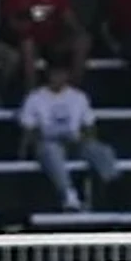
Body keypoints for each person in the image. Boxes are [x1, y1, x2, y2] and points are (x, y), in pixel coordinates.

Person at [18, 61, 121, 211]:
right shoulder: (35, 98)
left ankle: (114, 188)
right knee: (51, 150)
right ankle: (69, 195)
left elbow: (89, 126)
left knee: (103, 150)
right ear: (48, 74)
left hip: (74, 143)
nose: (58, 77)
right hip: (48, 143)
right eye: (55, 73)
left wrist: (86, 140)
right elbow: (29, 129)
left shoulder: (79, 97)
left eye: (61, 73)